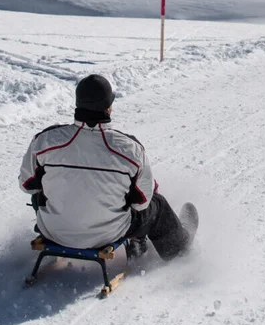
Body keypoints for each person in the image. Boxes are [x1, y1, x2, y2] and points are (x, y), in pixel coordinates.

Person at [18, 74, 197, 260]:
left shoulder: (45, 140)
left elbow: (26, 185)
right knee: (156, 204)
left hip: (54, 231)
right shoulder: (129, 148)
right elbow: (142, 202)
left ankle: (66, 223)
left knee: (41, 188)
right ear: (108, 108)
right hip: (109, 234)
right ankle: (177, 249)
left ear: (78, 103)